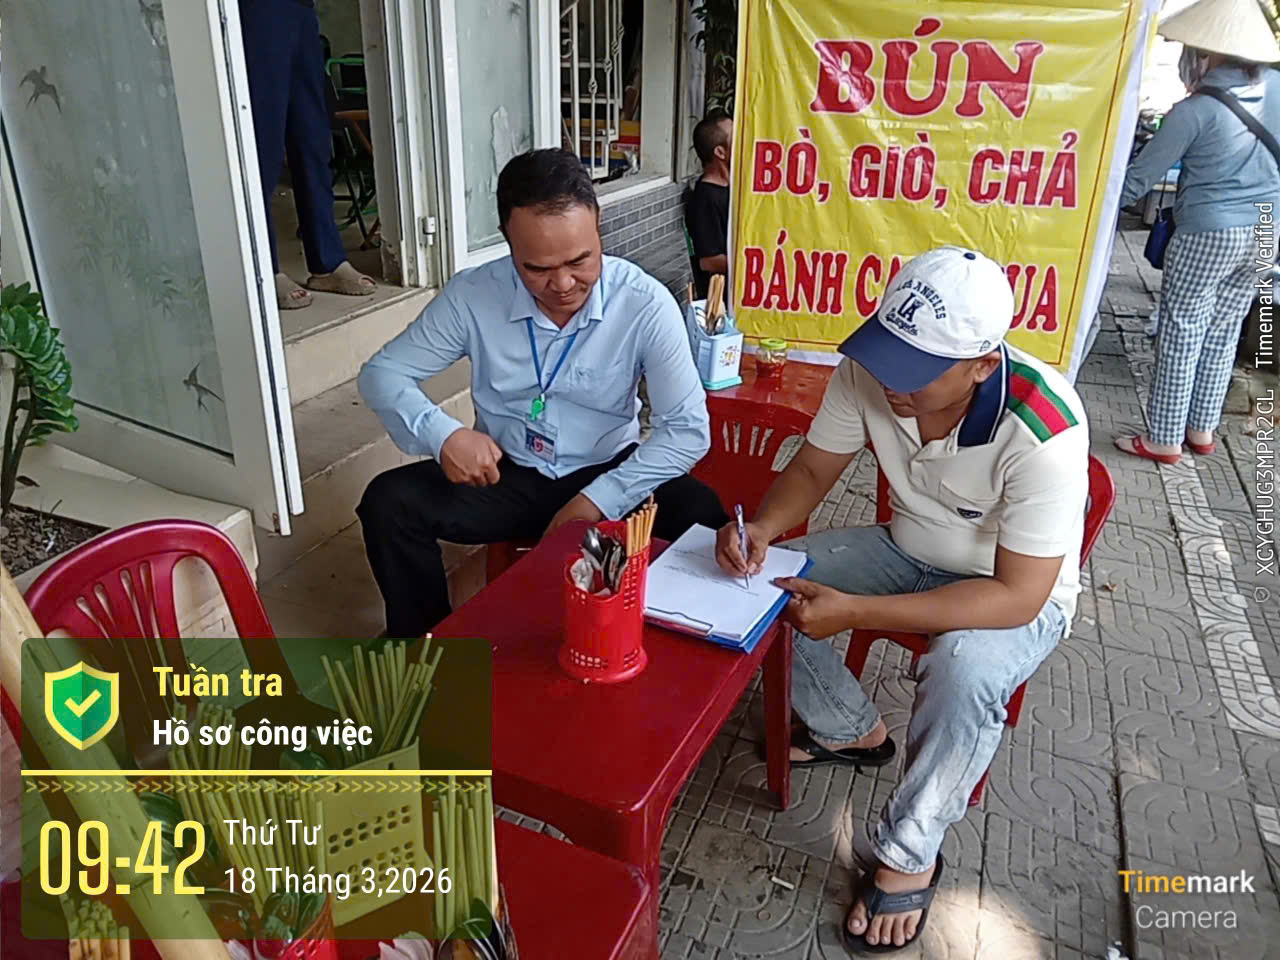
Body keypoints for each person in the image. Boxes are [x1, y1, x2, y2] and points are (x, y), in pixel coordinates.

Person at [715, 247, 1089, 953]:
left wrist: (854, 612)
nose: (891, 382)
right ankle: (853, 729)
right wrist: (762, 529)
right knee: (761, 587)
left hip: (1007, 586)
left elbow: (1016, 597)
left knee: (966, 671)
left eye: (916, 371)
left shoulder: (1044, 423)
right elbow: (813, 468)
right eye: (888, 356)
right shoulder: (867, 372)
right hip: (906, 548)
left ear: (982, 365)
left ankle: (909, 852)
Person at [357, 148, 728, 637]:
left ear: (597, 225)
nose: (564, 284)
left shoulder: (643, 303)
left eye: (580, 260)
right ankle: (429, 650)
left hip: (608, 468)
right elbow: (382, 373)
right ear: (508, 242)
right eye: (536, 269)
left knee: (705, 521)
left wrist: (597, 500)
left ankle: (671, 646)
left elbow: (687, 430)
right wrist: (442, 434)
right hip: (508, 473)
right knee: (389, 504)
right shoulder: (474, 295)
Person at [1113, 0, 1279, 464]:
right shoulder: (1279, 89)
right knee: (1225, 329)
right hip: (1268, 228)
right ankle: (1201, 430)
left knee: (1181, 330)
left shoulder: (1193, 111)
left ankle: (1164, 438)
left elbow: (1138, 180)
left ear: (1208, 52)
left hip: (1210, 231)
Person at [239, 0, 376, 310]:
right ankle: (264, 270)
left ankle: (327, 263)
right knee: (263, 144)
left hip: (301, 9)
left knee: (313, 138)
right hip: (256, 8)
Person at [685, 110, 733, 299]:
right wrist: (761, 265)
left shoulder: (731, 188)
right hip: (724, 301)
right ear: (720, 152)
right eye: (736, 138)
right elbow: (709, 262)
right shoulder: (705, 199)